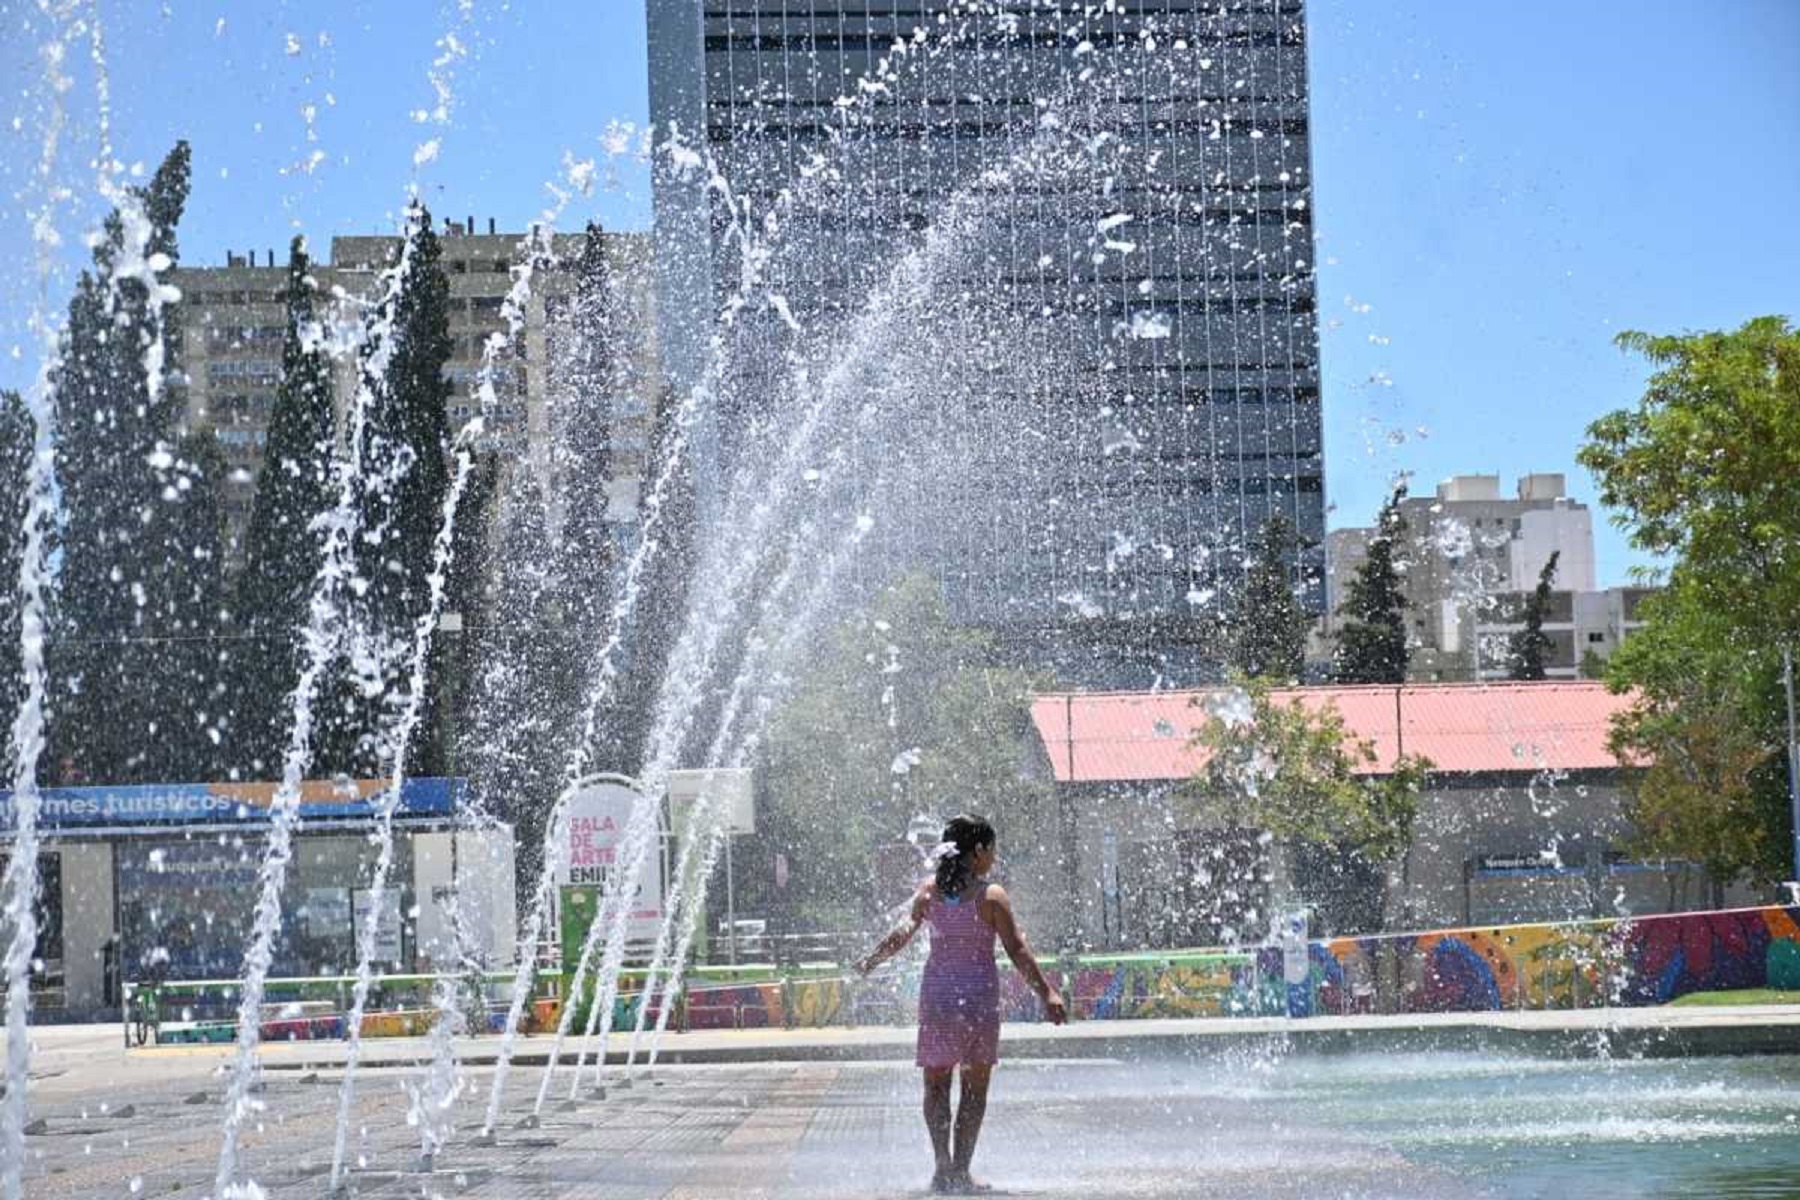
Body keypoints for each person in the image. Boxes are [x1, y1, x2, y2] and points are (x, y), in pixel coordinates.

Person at [855, 814, 1067, 1194]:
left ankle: (942, 1168)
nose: (994, 858)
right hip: (977, 1003)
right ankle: (962, 1171)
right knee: (973, 1089)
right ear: (979, 850)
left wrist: (871, 960)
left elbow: (902, 934)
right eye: (992, 849)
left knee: (936, 1085)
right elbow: (1017, 950)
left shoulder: (929, 892)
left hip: (937, 1000)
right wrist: (1047, 993)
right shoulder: (991, 897)